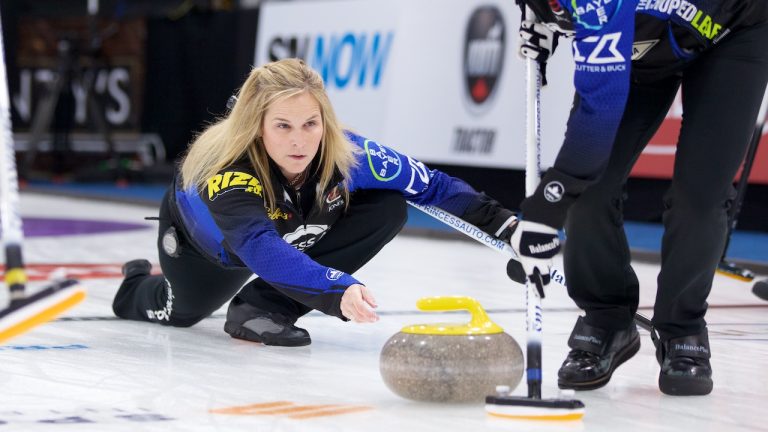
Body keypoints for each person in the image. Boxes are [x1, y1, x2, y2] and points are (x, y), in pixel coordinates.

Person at [112, 58, 519, 347]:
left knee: (388, 206)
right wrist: (335, 289)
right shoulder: (228, 171)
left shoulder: (351, 153)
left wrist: (508, 227)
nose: (300, 141)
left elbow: (434, 186)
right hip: (209, 250)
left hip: (291, 233)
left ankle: (261, 309)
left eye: (311, 124)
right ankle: (134, 282)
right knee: (179, 313)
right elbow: (259, 248)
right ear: (257, 129)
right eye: (283, 126)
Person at [508, 0, 768, 396]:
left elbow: (598, 119)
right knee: (592, 191)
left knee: (700, 196)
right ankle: (607, 318)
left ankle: (682, 328)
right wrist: (543, 17)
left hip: (733, 34)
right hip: (639, 44)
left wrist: (545, 208)